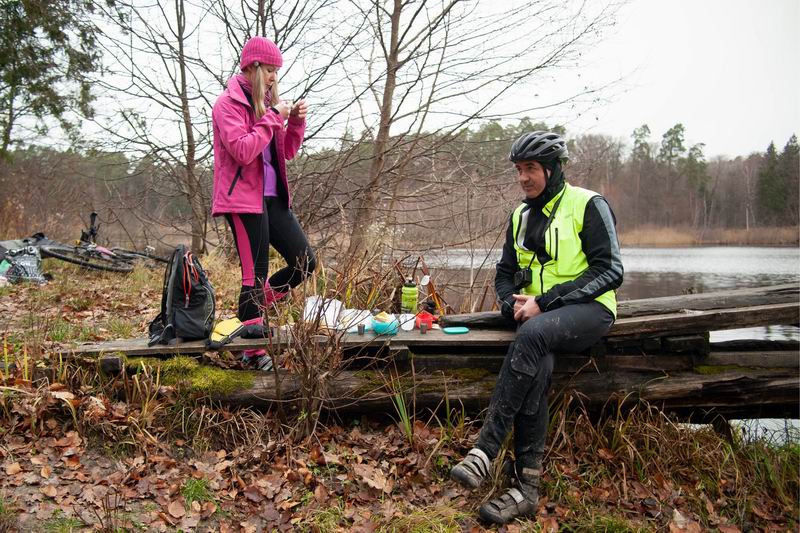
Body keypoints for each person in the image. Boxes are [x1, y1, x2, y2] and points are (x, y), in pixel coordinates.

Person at [449, 131, 623, 524]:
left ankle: (485, 449)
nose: (523, 178)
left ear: (552, 168)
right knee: (538, 364)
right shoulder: (520, 215)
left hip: (588, 310)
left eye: (530, 169)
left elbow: (610, 270)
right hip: (535, 321)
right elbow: (505, 273)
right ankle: (526, 488)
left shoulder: (588, 204)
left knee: (534, 335)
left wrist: (545, 302)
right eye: (518, 170)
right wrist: (510, 299)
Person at [211, 36, 316, 370]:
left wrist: (295, 122)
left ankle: (249, 316)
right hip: (242, 201)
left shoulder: (267, 105)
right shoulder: (227, 105)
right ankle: (253, 352)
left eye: (276, 71)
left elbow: (285, 152)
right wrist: (273, 117)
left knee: (305, 263)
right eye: (269, 69)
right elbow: (242, 150)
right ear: (253, 67)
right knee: (253, 277)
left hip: (274, 199)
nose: (273, 76)